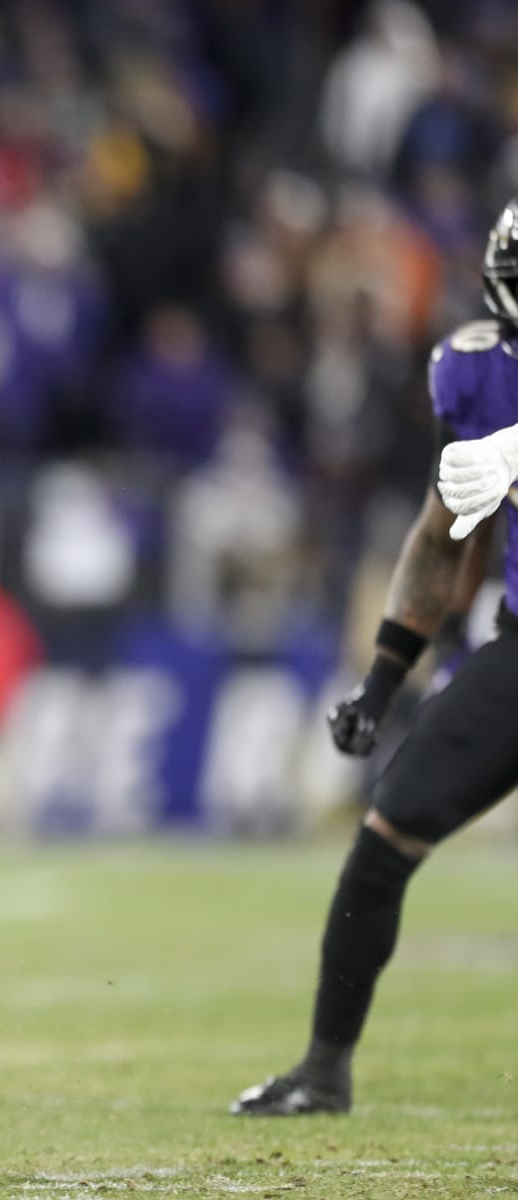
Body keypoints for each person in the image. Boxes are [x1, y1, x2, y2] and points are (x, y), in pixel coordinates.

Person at [231, 199, 518, 1117]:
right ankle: (324, 1070)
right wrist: (385, 679)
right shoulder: (477, 373)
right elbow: (446, 538)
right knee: (386, 835)